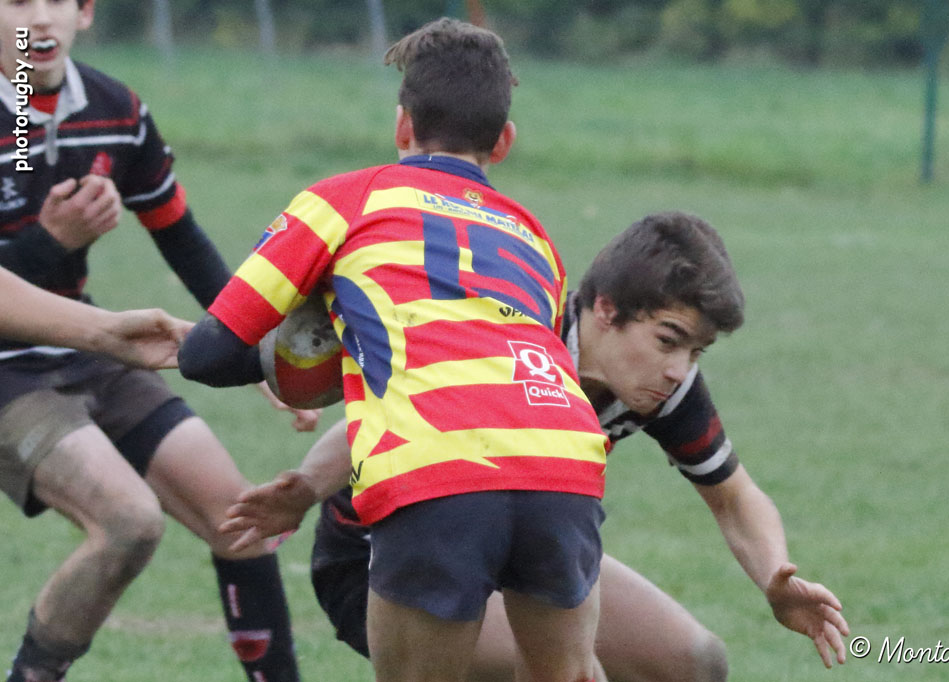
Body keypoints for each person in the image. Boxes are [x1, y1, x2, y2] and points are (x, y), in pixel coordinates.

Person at [222, 213, 852, 681]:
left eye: (696, 351)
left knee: (694, 661)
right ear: (604, 309)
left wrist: (775, 577)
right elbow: (384, 415)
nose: (678, 369)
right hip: (382, 553)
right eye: (668, 340)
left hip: (513, 548)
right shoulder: (517, 333)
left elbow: (735, 498)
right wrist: (307, 487)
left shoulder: (664, 388)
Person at [180, 18, 611, 682]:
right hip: (563, 463)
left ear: (402, 125)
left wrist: (306, 352)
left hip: (435, 469)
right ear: (504, 141)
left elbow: (207, 355)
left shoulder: (344, 201)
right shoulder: (535, 239)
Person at [0, 2, 314, 681]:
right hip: (7, 372)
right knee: (128, 522)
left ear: (85, 12)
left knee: (243, 520)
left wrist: (254, 345)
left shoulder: (117, 111)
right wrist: (48, 243)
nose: (39, 19)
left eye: (57, 0)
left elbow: (180, 236)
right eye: (18, 0)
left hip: (92, 350)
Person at [0, 266, 190, 368]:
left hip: (87, 353)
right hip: (14, 366)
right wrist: (48, 240)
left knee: (192, 432)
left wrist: (108, 331)